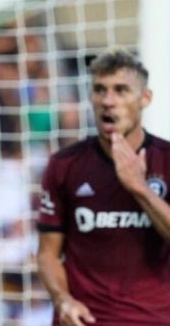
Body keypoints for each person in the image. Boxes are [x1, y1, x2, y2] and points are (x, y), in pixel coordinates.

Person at [37, 49, 170, 326]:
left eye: (121, 90)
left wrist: (140, 188)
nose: (108, 101)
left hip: (151, 319)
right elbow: (48, 253)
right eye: (100, 90)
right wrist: (63, 300)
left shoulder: (166, 160)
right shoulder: (64, 164)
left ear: (145, 98)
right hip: (85, 320)